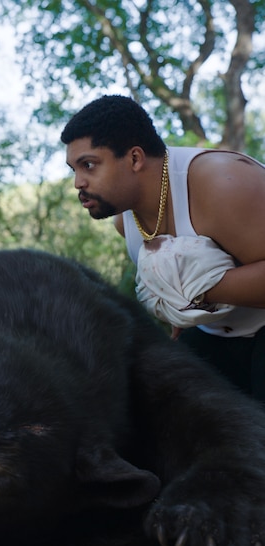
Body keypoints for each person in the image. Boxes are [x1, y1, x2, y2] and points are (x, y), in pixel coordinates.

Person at [61, 94, 265, 400]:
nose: (78, 182)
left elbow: (179, 282)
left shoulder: (222, 182)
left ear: (134, 158)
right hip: (216, 336)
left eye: (89, 165)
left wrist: (195, 288)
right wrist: (179, 312)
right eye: (74, 170)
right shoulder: (125, 222)